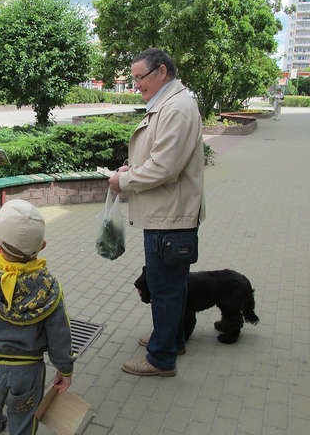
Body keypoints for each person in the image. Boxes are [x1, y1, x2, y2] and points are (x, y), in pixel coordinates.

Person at [108, 48, 205, 377]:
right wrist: (132, 168)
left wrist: (124, 180)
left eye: (140, 77)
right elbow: (161, 156)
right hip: (166, 213)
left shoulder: (176, 107)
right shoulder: (170, 104)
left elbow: (165, 167)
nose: (136, 85)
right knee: (171, 287)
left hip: (170, 215)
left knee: (164, 291)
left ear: (161, 71)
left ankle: (160, 359)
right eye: (134, 78)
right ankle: (171, 340)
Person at [0, 199, 74, 434]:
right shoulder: (50, 288)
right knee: (24, 425)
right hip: (28, 372)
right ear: (43, 245)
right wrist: (65, 369)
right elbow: (61, 335)